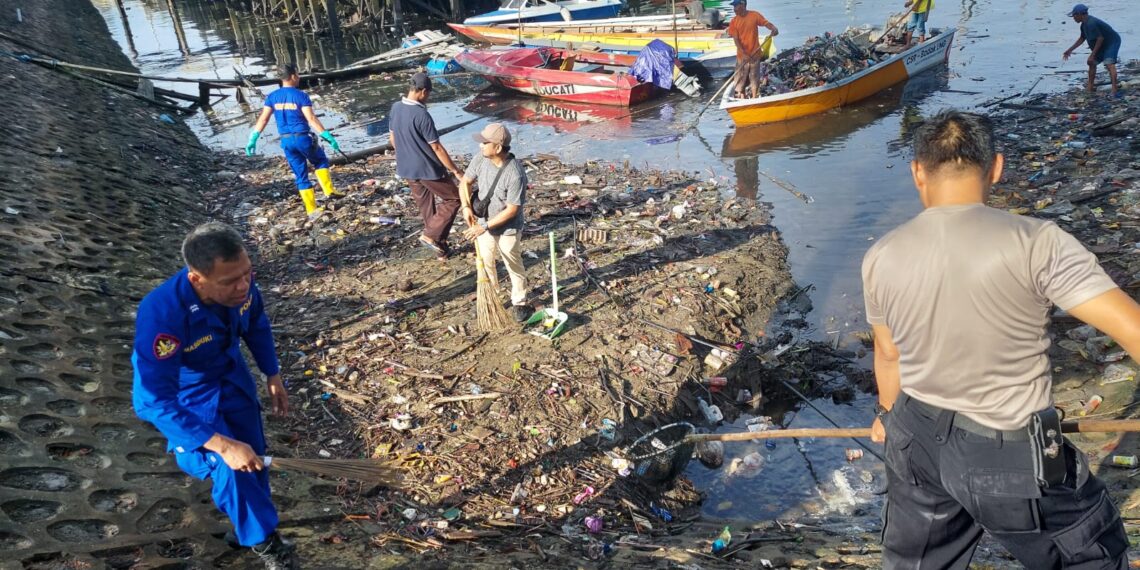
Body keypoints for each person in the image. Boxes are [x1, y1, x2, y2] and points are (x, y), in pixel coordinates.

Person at [863, 110, 1132, 568]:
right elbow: (1132, 328)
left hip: (914, 439)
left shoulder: (882, 254)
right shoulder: (1036, 241)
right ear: (997, 168)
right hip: (1003, 447)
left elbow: (888, 356)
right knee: (1092, 555)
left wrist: (886, 418)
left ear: (917, 172)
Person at [132, 222, 297, 570]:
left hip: (232, 378)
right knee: (229, 464)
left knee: (253, 456)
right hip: (189, 397)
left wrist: (272, 373)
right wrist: (220, 443)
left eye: (247, 274)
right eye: (230, 282)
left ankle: (246, 526)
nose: (243, 286)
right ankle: (266, 545)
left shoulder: (243, 286)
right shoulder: (162, 314)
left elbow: (256, 323)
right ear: (197, 279)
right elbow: (151, 400)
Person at [245, 64, 343, 220]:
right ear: (292, 76)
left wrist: (253, 137)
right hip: (302, 137)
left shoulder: (272, 97)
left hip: (286, 141)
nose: (299, 77)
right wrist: (327, 135)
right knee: (320, 160)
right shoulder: (300, 96)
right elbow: (311, 118)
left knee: (300, 174)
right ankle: (329, 191)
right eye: (297, 74)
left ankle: (312, 210)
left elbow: (263, 119)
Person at [459, 123, 530, 321]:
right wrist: (466, 207)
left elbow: (513, 209)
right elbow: (465, 182)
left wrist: (485, 226)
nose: (480, 146)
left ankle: (519, 301)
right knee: (485, 262)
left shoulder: (515, 173)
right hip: (483, 222)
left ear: (498, 147)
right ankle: (493, 297)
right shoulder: (480, 159)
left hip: (507, 227)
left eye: (484, 143)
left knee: (512, 262)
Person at [390, 72, 463, 260]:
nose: (427, 99)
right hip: (427, 169)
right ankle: (431, 236)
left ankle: (441, 249)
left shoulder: (396, 107)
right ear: (422, 92)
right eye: (428, 94)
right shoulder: (422, 115)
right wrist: (455, 170)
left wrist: (405, 155)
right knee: (454, 199)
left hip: (406, 168)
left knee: (427, 208)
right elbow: (437, 147)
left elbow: (392, 139)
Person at [1063, 3, 1122, 98]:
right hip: (1102, 44)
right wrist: (1069, 50)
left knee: (1109, 64)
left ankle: (1114, 89)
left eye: (1074, 16)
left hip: (1111, 42)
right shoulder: (1083, 25)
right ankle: (1090, 87)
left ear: (1080, 14)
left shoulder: (1091, 23)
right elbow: (1082, 38)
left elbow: (1100, 38)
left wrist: (1092, 55)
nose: (1073, 18)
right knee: (1091, 63)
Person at [726, 0, 778, 99]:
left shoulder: (754, 15)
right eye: (734, 6)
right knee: (741, 79)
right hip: (742, 56)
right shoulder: (734, 21)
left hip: (755, 54)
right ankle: (742, 97)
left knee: (754, 78)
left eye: (736, 6)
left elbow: (766, 23)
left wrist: (773, 28)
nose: (734, 9)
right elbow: (736, 40)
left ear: (743, 5)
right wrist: (744, 53)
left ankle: (754, 98)